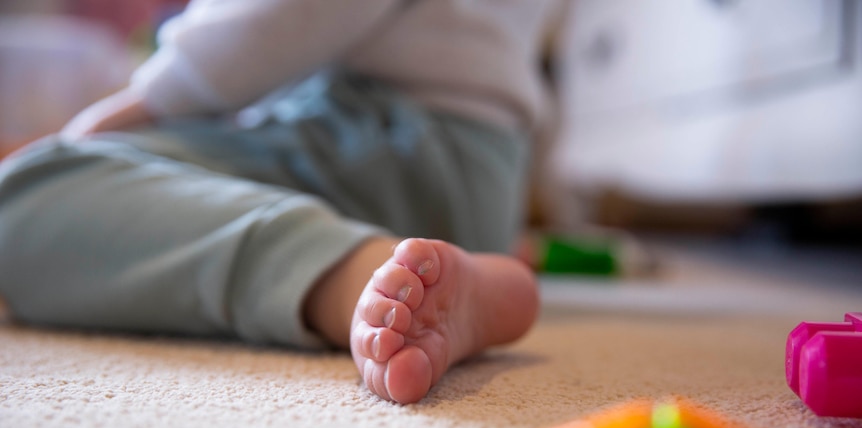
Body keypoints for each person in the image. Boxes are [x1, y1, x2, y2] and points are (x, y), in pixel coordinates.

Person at [0, 0, 553, 404]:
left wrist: (130, 109)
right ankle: (429, 268)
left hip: (369, 132)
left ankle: (357, 277)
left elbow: (285, 13)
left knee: (25, 194)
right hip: (479, 170)